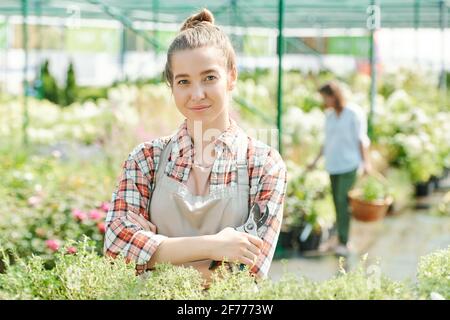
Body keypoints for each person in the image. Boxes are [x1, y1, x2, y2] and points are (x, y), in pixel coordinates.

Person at [103, 9, 287, 287]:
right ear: (172, 86)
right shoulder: (146, 159)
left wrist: (152, 257)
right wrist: (215, 246)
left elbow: (244, 273)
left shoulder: (263, 164)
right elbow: (116, 250)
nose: (196, 94)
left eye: (209, 78)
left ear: (231, 77)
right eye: (183, 81)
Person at [309, 81, 371, 256]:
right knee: (336, 202)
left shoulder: (353, 113)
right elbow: (326, 143)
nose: (324, 101)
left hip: (349, 165)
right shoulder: (329, 116)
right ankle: (341, 238)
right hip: (333, 165)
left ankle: (345, 242)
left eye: (325, 97)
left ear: (334, 96)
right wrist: (315, 161)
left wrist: (366, 163)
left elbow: (362, 140)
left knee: (343, 201)